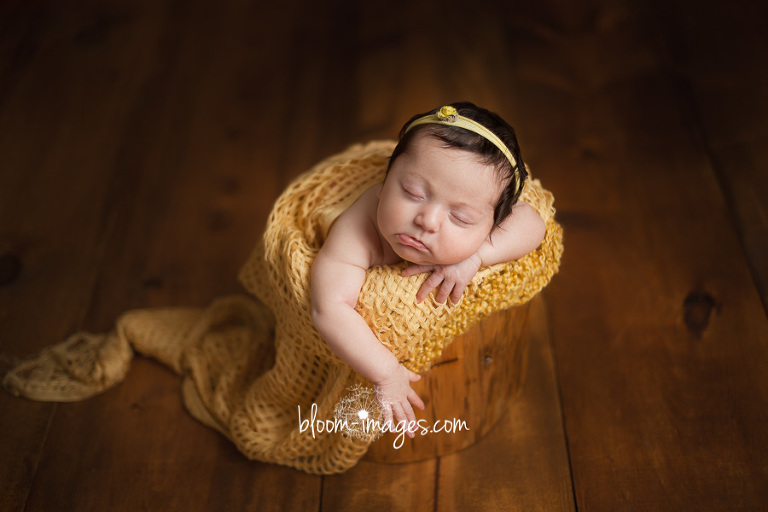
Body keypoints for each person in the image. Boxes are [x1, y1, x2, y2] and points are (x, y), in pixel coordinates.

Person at [310, 102, 546, 438]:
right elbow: (328, 306)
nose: (427, 220)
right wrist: (386, 371)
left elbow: (534, 225)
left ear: (493, 224)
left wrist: (476, 256)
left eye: (461, 217)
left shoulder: (489, 226)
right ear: (386, 177)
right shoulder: (360, 226)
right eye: (412, 192)